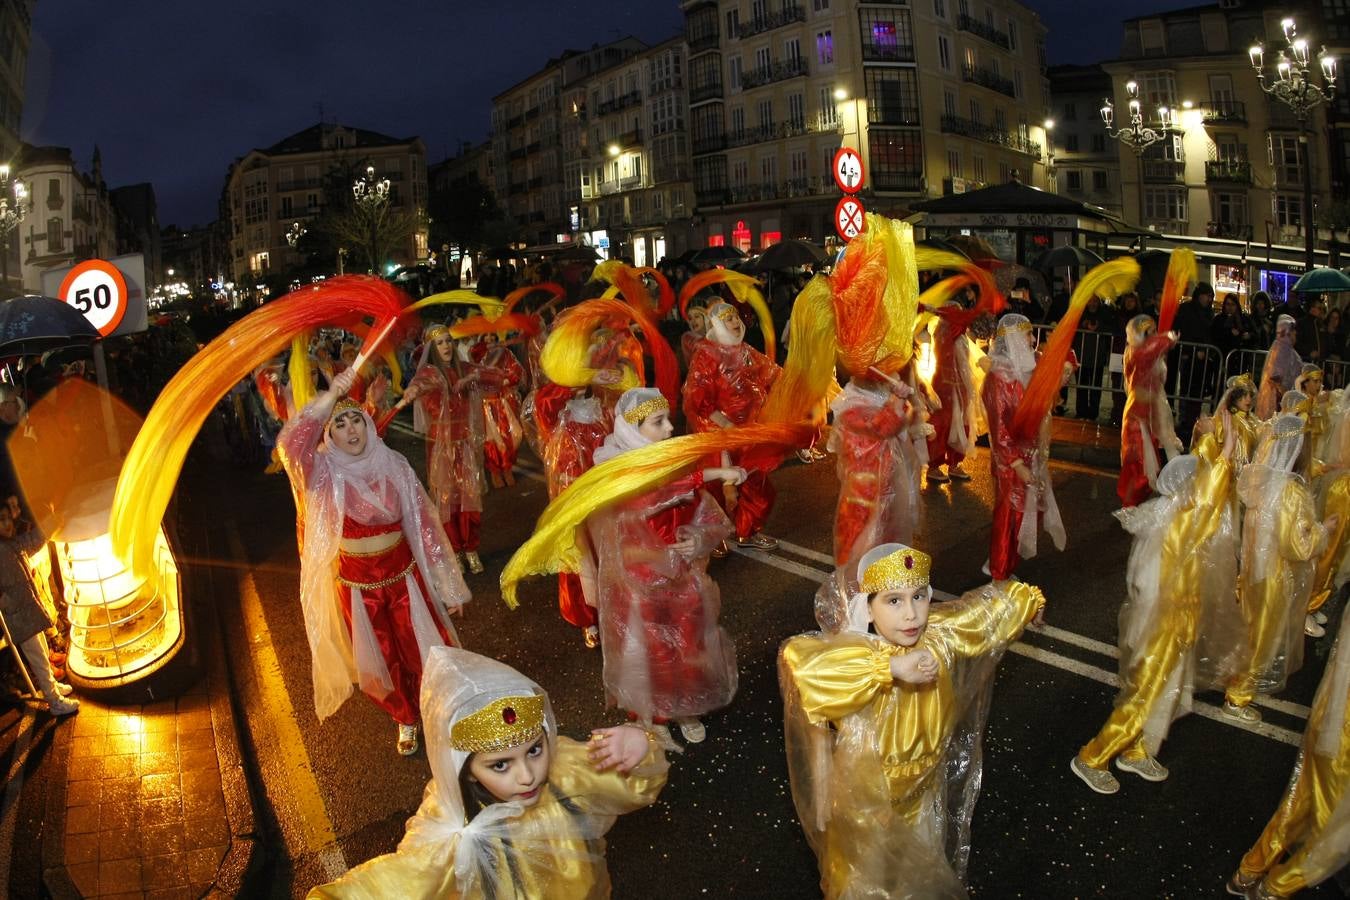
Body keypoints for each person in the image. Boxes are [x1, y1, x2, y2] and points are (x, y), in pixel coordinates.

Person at [779, 542, 1046, 898]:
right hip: (869, 798)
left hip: (922, 787)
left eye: (919, 597)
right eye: (893, 600)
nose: (912, 615)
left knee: (915, 870)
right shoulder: (858, 654)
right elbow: (802, 662)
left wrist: (1030, 602)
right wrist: (888, 667)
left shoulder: (937, 636)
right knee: (865, 877)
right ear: (868, 610)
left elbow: (983, 612)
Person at [310, 647, 668, 899]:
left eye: (534, 750)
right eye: (500, 765)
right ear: (465, 772)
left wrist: (639, 747)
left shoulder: (564, 769)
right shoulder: (453, 827)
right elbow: (400, 883)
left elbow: (635, 786)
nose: (527, 775)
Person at [277, 366, 469, 755]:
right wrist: (331, 396)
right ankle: (405, 718)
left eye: (356, 421)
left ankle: (438, 711)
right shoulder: (323, 474)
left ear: (367, 425)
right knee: (380, 661)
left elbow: (426, 526)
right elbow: (292, 445)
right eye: (340, 425)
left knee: (424, 651)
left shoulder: (394, 464)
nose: (351, 431)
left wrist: (448, 584)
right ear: (328, 435)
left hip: (404, 578)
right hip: (357, 586)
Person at [587, 387, 747, 746]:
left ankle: (684, 705)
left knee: (688, 643)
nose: (670, 428)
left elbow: (703, 512)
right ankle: (652, 713)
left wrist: (698, 538)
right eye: (658, 423)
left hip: (681, 576)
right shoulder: (614, 469)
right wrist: (712, 474)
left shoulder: (671, 460)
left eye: (668, 419)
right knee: (650, 650)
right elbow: (649, 496)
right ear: (632, 429)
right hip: (639, 583)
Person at [1071, 452, 1235, 794]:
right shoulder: (1178, 525)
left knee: (1165, 691)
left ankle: (1138, 749)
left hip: (1174, 626)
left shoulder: (1174, 516)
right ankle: (1092, 756)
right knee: (1144, 694)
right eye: (1198, 483)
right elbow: (1146, 586)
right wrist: (1226, 459)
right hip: (1161, 629)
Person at [1227, 609, 1350, 899]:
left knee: (1301, 799)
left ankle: (1251, 870)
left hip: (1331, 716)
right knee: (1335, 827)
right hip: (1341, 731)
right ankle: (1275, 887)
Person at [1222, 414, 1334, 724]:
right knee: (1262, 637)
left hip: (1254, 571)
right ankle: (1237, 697)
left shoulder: (1262, 480)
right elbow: (1296, 545)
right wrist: (1323, 529)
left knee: (1249, 629)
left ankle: (1235, 677)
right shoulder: (1290, 491)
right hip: (1272, 576)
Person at [682, 300, 782, 550]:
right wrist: (725, 425)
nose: (736, 322)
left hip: (748, 432)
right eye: (729, 319)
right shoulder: (707, 354)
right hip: (720, 436)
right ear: (716, 324)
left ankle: (746, 532)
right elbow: (696, 399)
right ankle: (712, 537)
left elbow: (773, 373)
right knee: (717, 489)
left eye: (736, 317)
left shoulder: (745, 350)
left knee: (756, 484)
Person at [403, 324, 496, 575]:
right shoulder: (431, 373)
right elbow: (418, 385)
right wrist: (412, 390)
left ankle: (471, 549)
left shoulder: (463, 368)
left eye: (448, 341)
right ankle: (454, 549)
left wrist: (474, 378)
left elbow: (496, 375)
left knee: (470, 498)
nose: (445, 346)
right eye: (440, 343)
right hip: (441, 446)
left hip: (464, 444)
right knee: (447, 500)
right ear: (432, 349)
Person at [981, 313, 1064, 580]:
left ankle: (1005, 561)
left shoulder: (1027, 369)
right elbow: (1000, 428)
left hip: (1030, 455)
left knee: (1025, 515)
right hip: (1011, 462)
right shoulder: (998, 378)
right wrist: (1016, 464)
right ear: (1015, 340)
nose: (1032, 340)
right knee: (1009, 517)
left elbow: (1040, 404)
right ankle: (999, 572)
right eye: (1027, 334)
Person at [829, 374, 922, 568]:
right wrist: (898, 399)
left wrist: (898, 400)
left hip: (882, 486)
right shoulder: (852, 406)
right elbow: (882, 427)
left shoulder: (870, 400)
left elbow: (897, 422)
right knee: (861, 540)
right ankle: (856, 588)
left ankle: (876, 583)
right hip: (862, 494)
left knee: (883, 536)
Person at [542, 394, 608, 648]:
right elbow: (543, 403)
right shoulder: (558, 415)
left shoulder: (602, 412)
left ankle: (611, 615)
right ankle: (588, 620)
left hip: (602, 498)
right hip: (573, 501)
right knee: (579, 561)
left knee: (606, 555)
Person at [0, 499, 77, 716]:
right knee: (40, 660)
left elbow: (31, 541)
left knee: (41, 651)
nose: (6, 524)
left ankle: (51, 687)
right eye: (1, 520)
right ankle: (55, 702)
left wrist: (53, 520)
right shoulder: (2, 549)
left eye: (7, 518)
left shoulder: (8, 544)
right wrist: (5, 601)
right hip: (19, 616)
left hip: (28, 612)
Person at [1117, 315, 1183, 507]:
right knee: (1138, 463)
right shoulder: (1137, 352)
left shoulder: (1152, 353)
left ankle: (1140, 502)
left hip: (1154, 411)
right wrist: (1167, 338)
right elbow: (1146, 355)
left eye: (1155, 331)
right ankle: (1130, 504)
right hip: (1138, 414)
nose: (1155, 335)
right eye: (1150, 332)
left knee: (1152, 461)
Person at [925, 299, 982, 483]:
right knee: (944, 425)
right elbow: (959, 364)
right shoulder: (950, 334)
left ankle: (953, 464)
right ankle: (937, 466)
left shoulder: (952, 333)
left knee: (956, 426)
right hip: (948, 387)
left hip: (952, 387)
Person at [473, 336, 527, 489]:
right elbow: (473, 375)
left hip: (503, 403)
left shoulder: (505, 353)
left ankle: (507, 467)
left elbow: (516, 372)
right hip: (486, 404)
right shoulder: (477, 353)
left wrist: (504, 381)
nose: (489, 339)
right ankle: (495, 471)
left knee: (509, 436)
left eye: (492, 335)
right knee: (491, 439)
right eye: (486, 336)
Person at [1173, 281, 1217, 447]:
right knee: (1186, 389)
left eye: (1211, 296)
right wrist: (1190, 351)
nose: (1209, 299)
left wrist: (1207, 351)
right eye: (1207, 295)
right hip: (1189, 355)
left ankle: (1193, 422)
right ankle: (1185, 423)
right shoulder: (1187, 310)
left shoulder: (1208, 313)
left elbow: (1209, 334)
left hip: (1203, 359)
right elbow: (1182, 330)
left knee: (1198, 392)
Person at [1073, 295, 1113, 421]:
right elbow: (1072, 327)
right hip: (1081, 357)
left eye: (1095, 301)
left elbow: (1112, 328)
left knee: (1096, 387)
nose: (1092, 304)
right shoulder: (1079, 314)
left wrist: (1099, 327)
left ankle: (1093, 413)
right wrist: (1082, 324)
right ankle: (1081, 411)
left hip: (1097, 358)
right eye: (1090, 301)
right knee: (1081, 386)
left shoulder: (1104, 315)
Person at [1257, 316, 1303, 420]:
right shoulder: (1281, 350)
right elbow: (1275, 380)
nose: (1295, 333)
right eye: (1293, 330)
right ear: (1287, 332)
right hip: (1278, 402)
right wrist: (1285, 398)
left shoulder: (1284, 349)